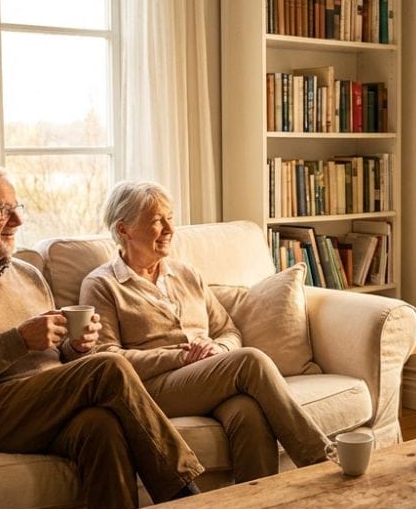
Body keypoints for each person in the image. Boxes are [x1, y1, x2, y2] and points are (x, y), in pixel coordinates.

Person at [0, 162, 204, 509]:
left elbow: (56, 357)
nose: (18, 222)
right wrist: (19, 341)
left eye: (17, 209)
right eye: (3, 211)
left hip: (42, 404)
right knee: (108, 366)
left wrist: (75, 347)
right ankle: (186, 497)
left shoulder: (27, 274)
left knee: (100, 427)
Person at [79, 180, 329, 482]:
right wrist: (179, 357)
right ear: (123, 230)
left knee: (248, 412)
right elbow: (105, 359)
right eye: (158, 220)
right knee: (249, 361)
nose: (170, 228)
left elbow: (227, 330)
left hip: (208, 375)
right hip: (154, 389)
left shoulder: (186, 273)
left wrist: (218, 350)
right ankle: (324, 463)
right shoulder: (102, 284)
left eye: (170, 217)